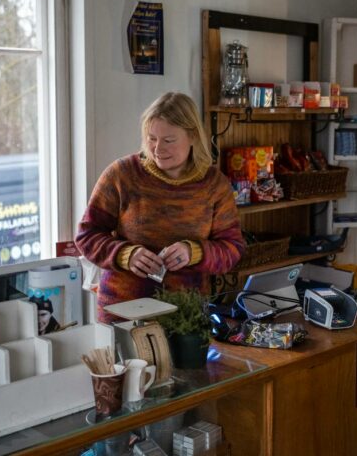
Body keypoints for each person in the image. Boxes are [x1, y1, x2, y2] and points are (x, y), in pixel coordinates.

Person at [76, 91, 245, 324]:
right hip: (123, 313)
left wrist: (194, 251)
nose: (157, 148)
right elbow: (87, 236)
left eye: (168, 140)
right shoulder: (121, 175)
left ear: (193, 136)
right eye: (151, 138)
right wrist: (126, 255)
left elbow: (232, 249)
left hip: (186, 317)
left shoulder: (214, 185)